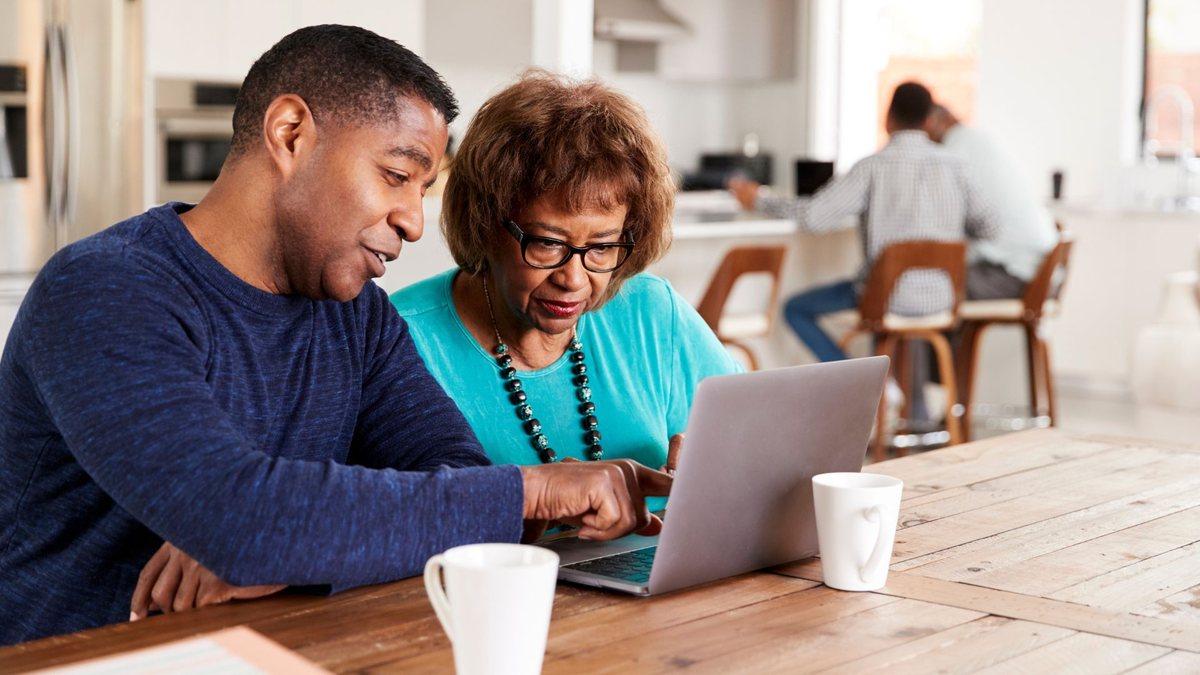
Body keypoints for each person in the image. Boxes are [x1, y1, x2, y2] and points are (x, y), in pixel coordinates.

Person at [0, 26, 670, 646]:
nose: (413, 220)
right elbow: (238, 514)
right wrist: (531, 489)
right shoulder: (103, 291)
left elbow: (460, 480)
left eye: (424, 187)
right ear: (291, 133)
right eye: (397, 175)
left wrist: (296, 547)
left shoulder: (357, 316)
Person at [389, 71, 740, 498]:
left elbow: (761, 443)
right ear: (484, 224)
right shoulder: (397, 339)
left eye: (602, 247)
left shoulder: (652, 313)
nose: (573, 279)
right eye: (547, 244)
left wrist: (726, 469)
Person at [729, 81, 996, 421]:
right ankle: (917, 420)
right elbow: (990, 225)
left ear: (889, 119)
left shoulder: (873, 166)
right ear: (930, 121)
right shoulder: (958, 167)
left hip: (886, 299)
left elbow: (814, 216)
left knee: (796, 308)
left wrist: (760, 198)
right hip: (942, 301)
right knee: (904, 323)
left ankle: (861, 382)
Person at [925, 104, 1059, 299]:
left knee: (925, 290)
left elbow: (945, 221)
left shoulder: (955, 150)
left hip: (1018, 275)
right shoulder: (977, 140)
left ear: (932, 123)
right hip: (1038, 270)